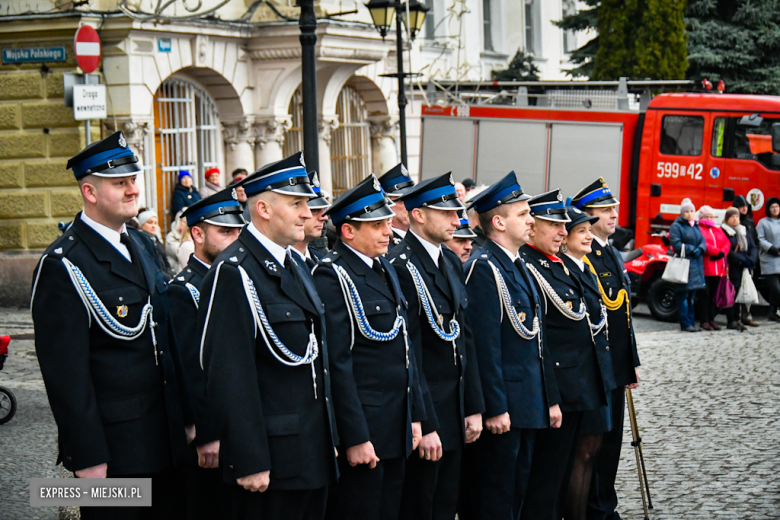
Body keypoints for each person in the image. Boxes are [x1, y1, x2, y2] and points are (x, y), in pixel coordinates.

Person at [30, 131, 193, 520]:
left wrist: (187, 418)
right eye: (120, 183)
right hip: (117, 451)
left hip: (166, 439)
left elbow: (166, 338)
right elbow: (65, 374)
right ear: (89, 191)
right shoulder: (63, 264)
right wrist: (86, 457)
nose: (133, 190)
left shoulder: (141, 244)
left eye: (133, 180)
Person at [198, 152, 338, 520]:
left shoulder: (294, 263)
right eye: (297, 204)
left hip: (312, 453)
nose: (308, 213)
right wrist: (249, 458)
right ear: (262, 208)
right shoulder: (235, 272)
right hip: (271, 462)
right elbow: (229, 374)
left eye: (306, 204)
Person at [313, 175, 424, 520]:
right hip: (366, 428)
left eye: (388, 223)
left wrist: (415, 416)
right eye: (377, 225)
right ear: (348, 231)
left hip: (395, 423)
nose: (388, 232)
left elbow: (405, 351)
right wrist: (356, 436)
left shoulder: (382, 268)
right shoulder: (333, 275)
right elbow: (339, 363)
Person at [459, 173, 560, 520]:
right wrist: (495, 407)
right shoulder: (484, 268)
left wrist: (548, 398)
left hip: (527, 403)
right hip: (504, 409)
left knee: (517, 494)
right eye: (523, 214)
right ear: (499, 222)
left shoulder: (518, 265)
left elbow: (535, 341)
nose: (531, 220)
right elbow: (484, 347)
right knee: (494, 499)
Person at [387, 173, 485, 520]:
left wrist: (473, 405)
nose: (456, 221)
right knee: (420, 506)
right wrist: (425, 423)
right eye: (446, 213)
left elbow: (464, 338)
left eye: (456, 213)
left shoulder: (448, 262)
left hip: (455, 410)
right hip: (427, 415)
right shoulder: (400, 267)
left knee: (446, 505)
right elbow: (408, 354)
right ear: (418, 215)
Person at [519, 189, 610, 520]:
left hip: (575, 384)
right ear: (532, 227)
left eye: (563, 225)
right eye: (553, 225)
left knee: (559, 474)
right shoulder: (530, 265)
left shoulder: (555, 264)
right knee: (544, 479)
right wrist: (553, 394)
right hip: (555, 386)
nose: (562, 231)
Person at [167, 187, 244, 520]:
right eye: (225, 231)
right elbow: (191, 370)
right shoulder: (184, 291)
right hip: (212, 433)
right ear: (197, 234)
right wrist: (207, 433)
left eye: (238, 231)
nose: (235, 239)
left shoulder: (238, 278)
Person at [569, 178, 641, 520]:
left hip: (616, 363)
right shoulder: (588, 253)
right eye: (605, 210)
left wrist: (632, 361)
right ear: (587, 215)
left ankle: (604, 504)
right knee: (593, 443)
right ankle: (594, 507)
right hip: (598, 364)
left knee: (611, 442)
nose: (614, 214)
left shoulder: (609, 250)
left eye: (613, 208)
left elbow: (623, 312)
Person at [557, 207, 616, 520]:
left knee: (592, 452)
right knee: (581, 455)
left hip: (597, 374)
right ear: (564, 239)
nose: (589, 236)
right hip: (579, 378)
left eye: (589, 231)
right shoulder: (563, 269)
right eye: (581, 231)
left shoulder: (583, 267)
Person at [669, 199, 708, 332]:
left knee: (691, 297)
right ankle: (685, 323)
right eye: (687, 212)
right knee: (684, 296)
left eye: (692, 211)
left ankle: (691, 322)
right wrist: (694, 250)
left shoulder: (695, 225)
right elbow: (676, 245)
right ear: (682, 213)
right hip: (684, 266)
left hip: (696, 265)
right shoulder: (676, 226)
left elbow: (703, 241)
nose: (690, 214)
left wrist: (700, 249)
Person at [695, 206, 731, 331]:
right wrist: (717, 252)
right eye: (707, 216)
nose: (710, 218)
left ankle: (711, 319)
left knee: (714, 296)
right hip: (706, 268)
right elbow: (704, 243)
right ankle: (704, 320)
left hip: (718, 269)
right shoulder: (699, 229)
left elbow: (727, 242)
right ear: (701, 218)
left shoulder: (718, 229)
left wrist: (722, 252)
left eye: (711, 216)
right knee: (704, 295)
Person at [722, 207, 758, 331]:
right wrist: (742, 260)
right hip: (733, 266)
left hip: (745, 267)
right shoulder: (724, 230)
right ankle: (731, 319)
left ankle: (738, 319)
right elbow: (728, 250)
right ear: (727, 219)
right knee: (732, 293)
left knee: (740, 292)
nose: (735, 219)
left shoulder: (744, 230)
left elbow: (753, 246)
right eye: (732, 217)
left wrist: (752, 259)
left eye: (737, 216)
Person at [292, 171, 331, 269]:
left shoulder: (320, 259)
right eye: (315, 210)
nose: (324, 217)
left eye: (324, 210)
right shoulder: (283, 262)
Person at [378, 163, 416, 247]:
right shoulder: (385, 243)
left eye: (413, 198)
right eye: (404, 200)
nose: (412, 204)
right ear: (388, 204)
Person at [757, 197, 780, 322]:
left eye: (777, 206)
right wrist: (772, 249)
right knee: (776, 288)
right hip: (770, 259)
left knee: (773, 291)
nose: (775, 209)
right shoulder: (763, 222)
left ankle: (772, 312)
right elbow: (760, 239)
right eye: (772, 207)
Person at [137, 207, 174, 279]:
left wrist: (170, 274)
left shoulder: (156, 240)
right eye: (149, 222)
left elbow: (165, 260)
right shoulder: (140, 241)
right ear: (141, 224)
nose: (153, 226)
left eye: (155, 223)